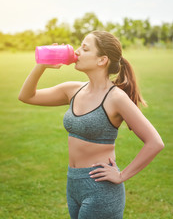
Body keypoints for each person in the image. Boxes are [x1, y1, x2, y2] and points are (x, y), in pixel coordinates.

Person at [18, 30, 164, 219]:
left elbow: (155, 142)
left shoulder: (116, 98)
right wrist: (41, 66)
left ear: (102, 60)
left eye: (85, 49)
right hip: (73, 183)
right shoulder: (72, 90)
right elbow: (27, 96)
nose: (77, 52)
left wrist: (121, 176)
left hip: (101, 189)